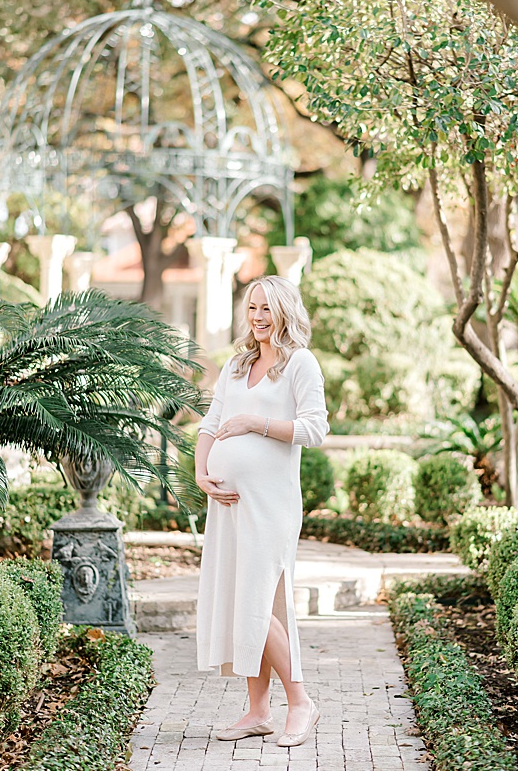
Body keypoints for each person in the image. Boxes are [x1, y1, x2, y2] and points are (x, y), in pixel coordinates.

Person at [195, 274, 330, 746]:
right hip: (228, 504)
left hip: (271, 505)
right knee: (244, 599)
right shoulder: (235, 365)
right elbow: (211, 423)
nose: (257, 317)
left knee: (254, 603)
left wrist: (256, 422)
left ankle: (301, 701)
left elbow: (315, 428)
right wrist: (200, 471)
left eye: (267, 308)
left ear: (285, 312)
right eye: (252, 307)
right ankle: (257, 711)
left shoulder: (301, 364)